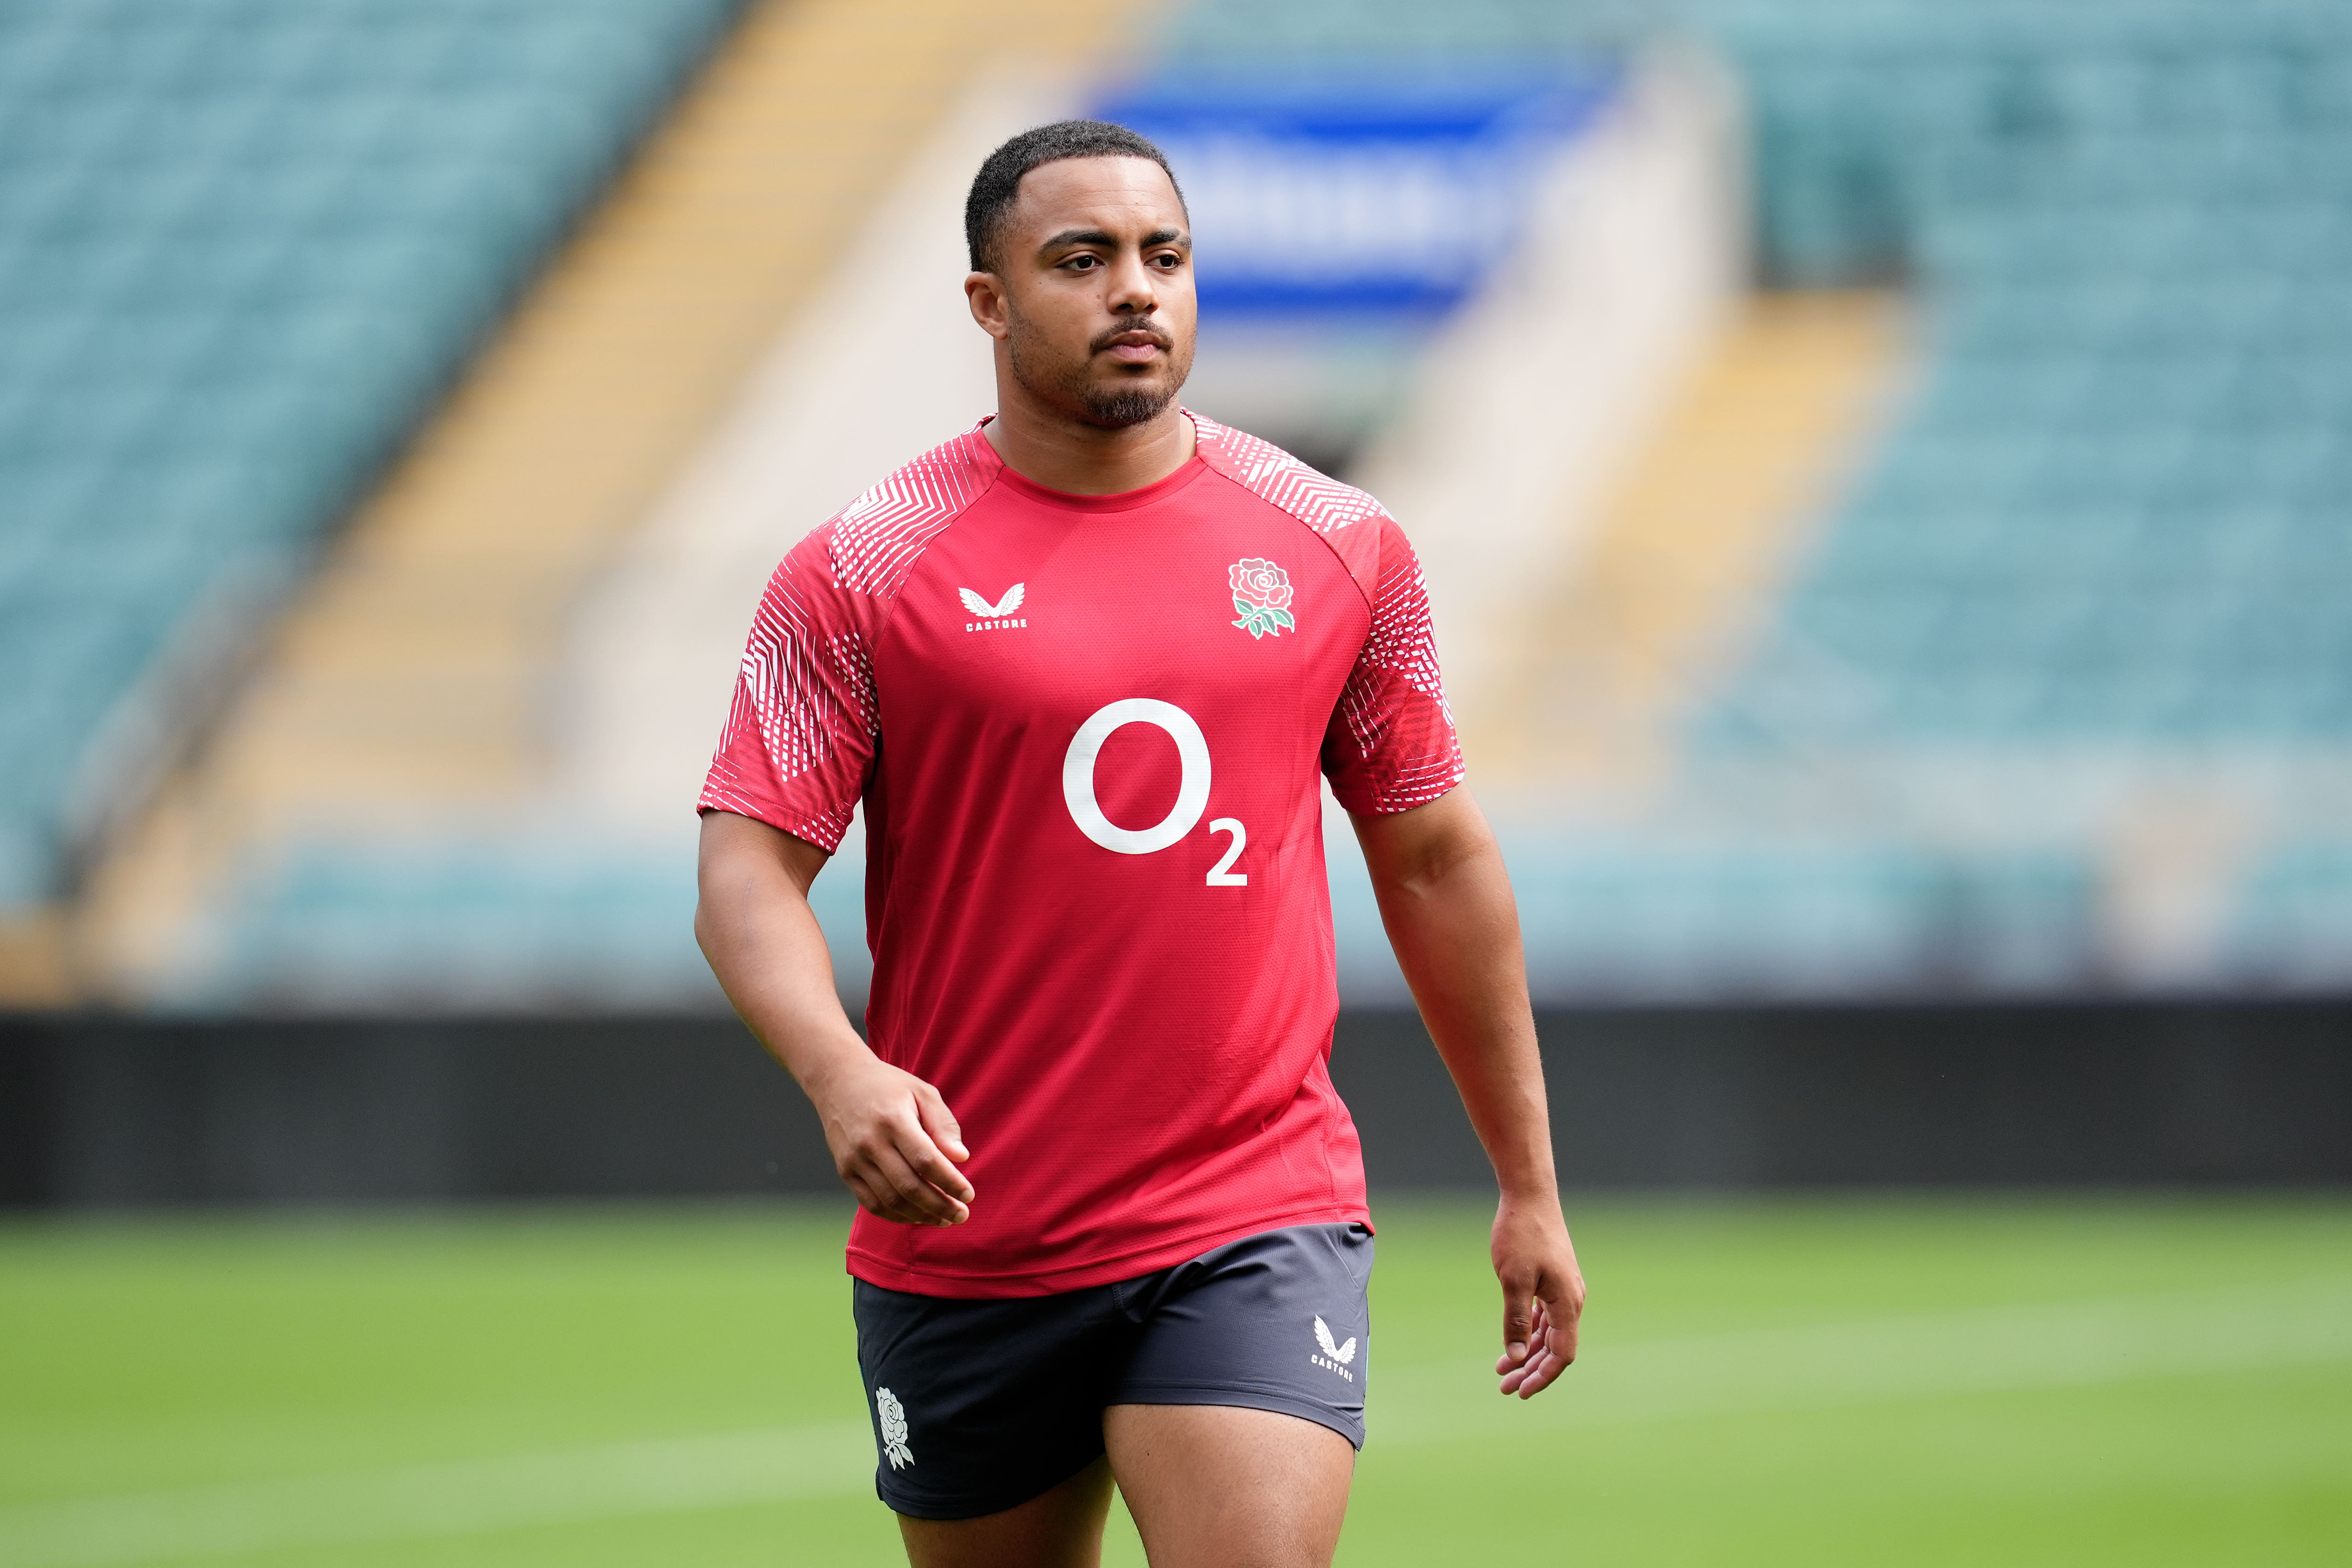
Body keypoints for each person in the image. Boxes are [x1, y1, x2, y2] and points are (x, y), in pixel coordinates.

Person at [694, 119, 1583, 1568]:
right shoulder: (858, 568)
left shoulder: (1341, 546)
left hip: (1250, 1208)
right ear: (987, 302)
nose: (1135, 291)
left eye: (1164, 258)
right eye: (1082, 259)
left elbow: (1435, 862)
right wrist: (840, 1069)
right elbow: (746, 872)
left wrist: (1528, 1181)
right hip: (973, 1232)